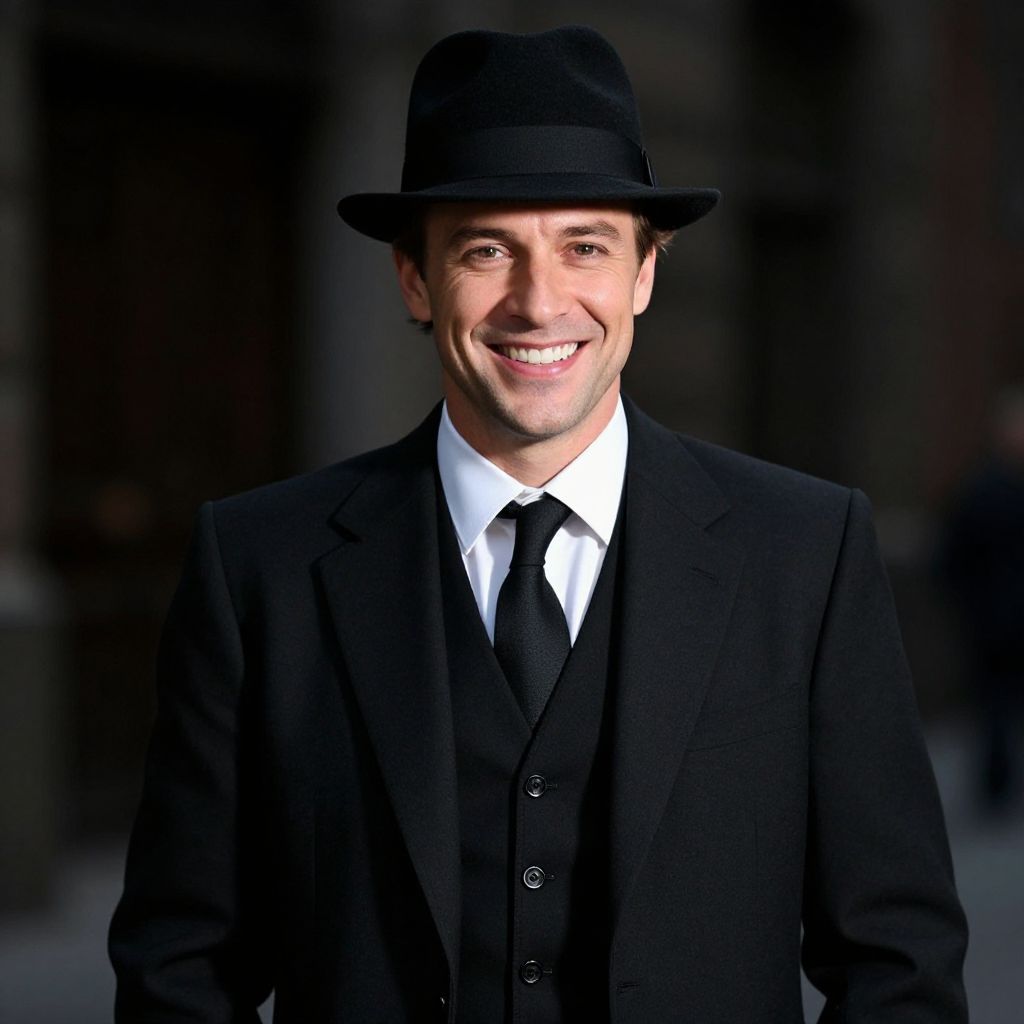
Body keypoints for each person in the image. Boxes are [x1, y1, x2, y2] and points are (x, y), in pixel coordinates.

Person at [109, 25, 969, 1023]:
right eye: (486, 249)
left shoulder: (804, 555)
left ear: (644, 274)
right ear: (415, 280)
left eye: (585, 246)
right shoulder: (260, 567)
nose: (538, 301)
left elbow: (899, 962)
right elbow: (179, 970)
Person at [943, 387, 1024, 812]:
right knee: (994, 710)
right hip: (994, 622)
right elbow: (954, 558)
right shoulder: (982, 491)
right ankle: (996, 786)